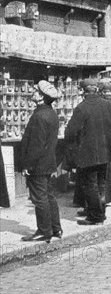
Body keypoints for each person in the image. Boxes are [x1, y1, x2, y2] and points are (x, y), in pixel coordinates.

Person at [65, 79, 111, 225]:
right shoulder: (107, 106)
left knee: (89, 185)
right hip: (105, 153)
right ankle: (99, 212)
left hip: (88, 154)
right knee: (101, 184)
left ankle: (95, 217)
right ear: (97, 90)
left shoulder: (81, 108)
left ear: (83, 91)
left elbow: (71, 132)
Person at [20, 81, 62, 242]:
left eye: (36, 91)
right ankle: (55, 228)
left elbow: (36, 146)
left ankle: (44, 231)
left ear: (41, 97)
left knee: (39, 198)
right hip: (48, 162)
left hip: (37, 164)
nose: (33, 92)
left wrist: (27, 165)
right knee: (48, 196)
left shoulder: (39, 116)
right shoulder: (51, 113)